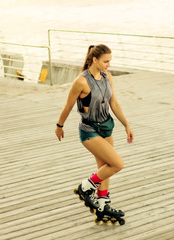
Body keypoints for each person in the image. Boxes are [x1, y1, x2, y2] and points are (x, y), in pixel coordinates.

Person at [55, 44, 134, 216]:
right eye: (106, 61)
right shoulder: (81, 81)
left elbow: (114, 103)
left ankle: (102, 205)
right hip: (89, 130)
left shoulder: (107, 77)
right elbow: (68, 106)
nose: (109, 65)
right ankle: (85, 188)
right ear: (95, 60)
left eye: (110, 61)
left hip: (106, 127)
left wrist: (126, 124)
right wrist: (59, 126)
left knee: (105, 168)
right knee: (117, 164)